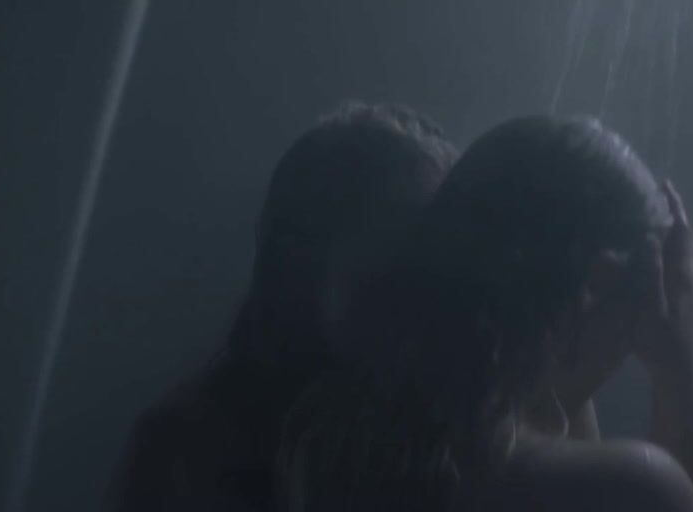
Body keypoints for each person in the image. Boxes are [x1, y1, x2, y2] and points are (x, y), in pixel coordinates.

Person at [276, 116, 693, 512]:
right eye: (644, 303)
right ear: (597, 282)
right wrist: (678, 375)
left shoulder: (328, 444)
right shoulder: (638, 487)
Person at [107, 102, 461, 511]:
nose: (424, 291)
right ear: (302, 264)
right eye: (392, 259)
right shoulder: (186, 447)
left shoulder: (434, 440)